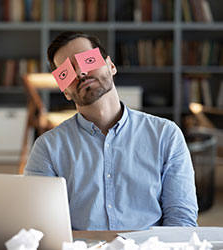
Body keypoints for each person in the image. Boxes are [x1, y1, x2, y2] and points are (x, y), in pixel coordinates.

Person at [24, 31, 198, 230]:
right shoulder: (47, 148)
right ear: (65, 91)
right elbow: (40, 227)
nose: (80, 72)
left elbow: (181, 221)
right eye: (67, 72)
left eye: (87, 60)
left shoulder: (166, 135)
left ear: (111, 65)